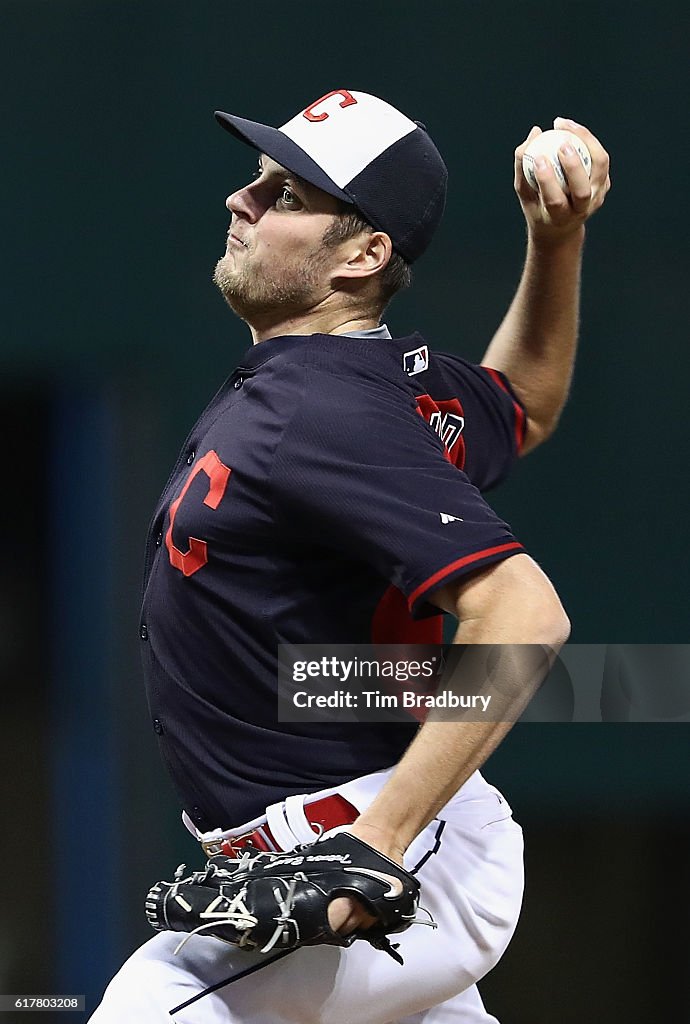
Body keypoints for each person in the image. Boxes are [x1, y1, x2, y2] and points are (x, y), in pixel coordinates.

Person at [90, 89, 610, 1023]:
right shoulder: (378, 390)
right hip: (370, 840)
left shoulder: (326, 412)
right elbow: (522, 404)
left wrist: (375, 846)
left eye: (285, 193)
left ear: (366, 255)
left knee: (156, 1005)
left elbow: (527, 613)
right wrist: (557, 243)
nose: (241, 203)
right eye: (257, 182)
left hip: (374, 842)